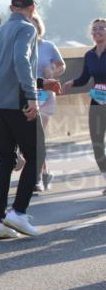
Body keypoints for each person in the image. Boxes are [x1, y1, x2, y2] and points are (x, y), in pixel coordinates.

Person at [0, 0, 62, 239]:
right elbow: (21, 61)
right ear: (32, 8)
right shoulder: (28, 28)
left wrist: (41, 83)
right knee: (37, 154)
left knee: (6, 161)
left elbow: (6, 68)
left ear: (11, 7)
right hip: (18, 100)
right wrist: (31, 95)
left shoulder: (3, 29)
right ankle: (18, 212)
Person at [62, 17, 106, 194]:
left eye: (101, 28)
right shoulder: (89, 55)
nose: (97, 31)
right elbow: (84, 78)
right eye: (94, 29)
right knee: (97, 142)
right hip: (97, 102)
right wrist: (71, 82)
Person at [30, 13, 66, 192]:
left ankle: (37, 176)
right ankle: (44, 172)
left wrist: (52, 72)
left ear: (39, 27)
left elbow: (62, 66)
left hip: (45, 96)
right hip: (28, 96)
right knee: (31, 137)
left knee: (37, 135)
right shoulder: (21, 47)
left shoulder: (48, 46)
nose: (31, 28)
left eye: (34, 24)